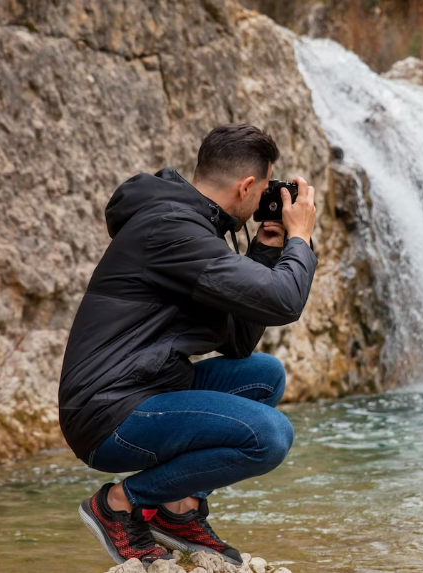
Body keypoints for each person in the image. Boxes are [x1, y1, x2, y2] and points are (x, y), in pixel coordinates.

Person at [57, 124, 318, 568]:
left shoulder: (193, 230)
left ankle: (178, 509)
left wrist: (269, 249)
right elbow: (284, 301)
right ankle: (119, 504)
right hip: (108, 412)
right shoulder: (172, 231)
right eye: (263, 193)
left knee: (263, 375)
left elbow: (237, 342)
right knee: (270, 435)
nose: (262, 204)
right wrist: (300, 237)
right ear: (247, 186)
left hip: (146, 386)